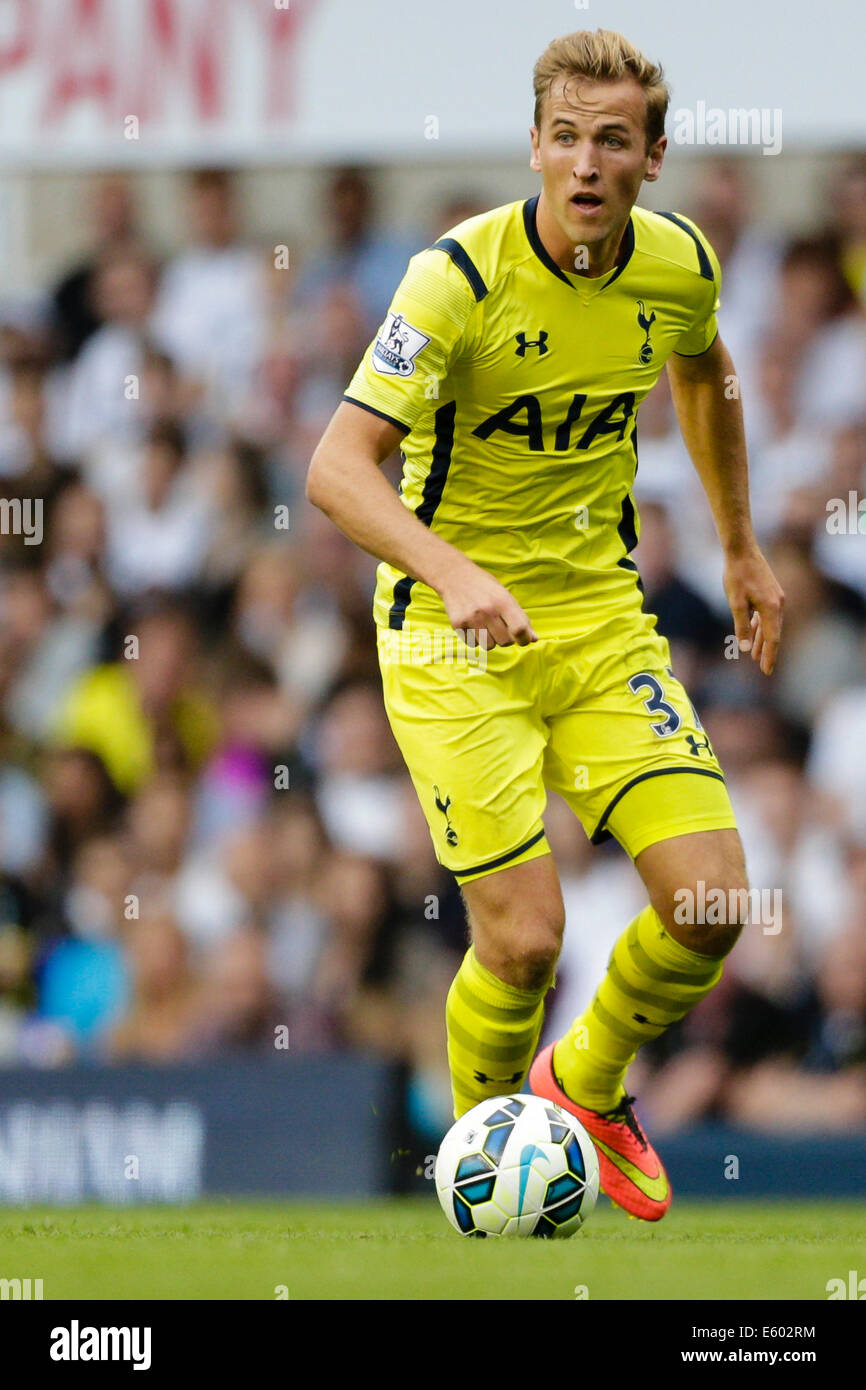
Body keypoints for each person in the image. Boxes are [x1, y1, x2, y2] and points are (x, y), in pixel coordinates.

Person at [306, 28, 785, 1222]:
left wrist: (736, 542)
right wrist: (448, 567)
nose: (583, 165)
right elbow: (334, 468)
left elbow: (702, 375)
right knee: (522, 941)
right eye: (563, 138)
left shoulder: (675, 265)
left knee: (714, 902)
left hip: (596, 623)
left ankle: (585, 1084)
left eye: (610, 141)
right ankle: (480, 1169)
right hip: (447, 636)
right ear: (533, 145)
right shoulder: (453, 282)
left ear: (653, 158)